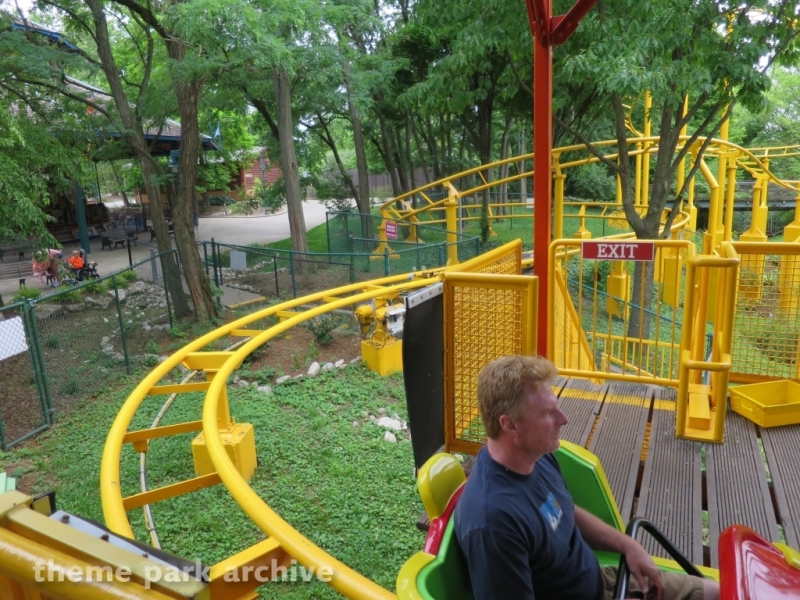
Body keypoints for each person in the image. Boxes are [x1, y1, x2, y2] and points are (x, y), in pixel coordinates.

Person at [454, 355, 719, 600]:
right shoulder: (493, 523)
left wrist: (627, 545)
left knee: (722, 593)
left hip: (604, 582)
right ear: (510, 424)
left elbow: (564, 511)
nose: (564, 419)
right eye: (548, 414)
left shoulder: (535, 456)